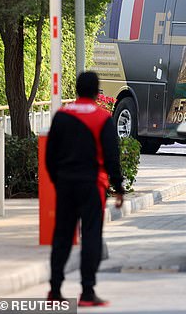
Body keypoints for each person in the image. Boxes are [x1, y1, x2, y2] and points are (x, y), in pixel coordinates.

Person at [46, 71, 124, 307]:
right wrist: (119, 187)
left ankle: (55, 291)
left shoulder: (61, 115)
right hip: (92, 185)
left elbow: (50, 156)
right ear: (96, 91)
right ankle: (87, 293)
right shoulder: (102, 118)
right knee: (91, 236)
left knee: (61, 236)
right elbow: (112, 156)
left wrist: (58, 181)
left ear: (77, 89)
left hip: (66, 184)